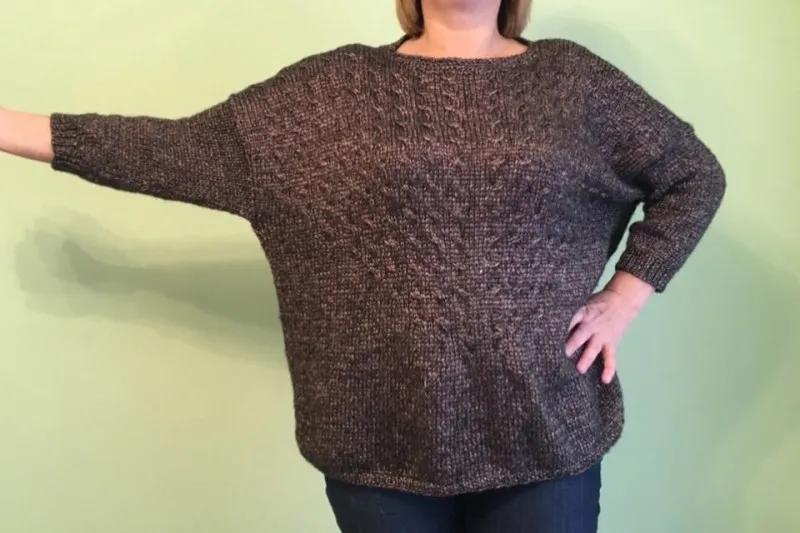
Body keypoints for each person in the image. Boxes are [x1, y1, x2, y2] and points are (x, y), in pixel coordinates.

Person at [0, 0, 726, 531]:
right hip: (377, 432)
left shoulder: (574, 81)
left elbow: (693, 175)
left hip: (543, 426)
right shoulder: (333, 90)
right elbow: (174, 150)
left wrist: (625, 296)